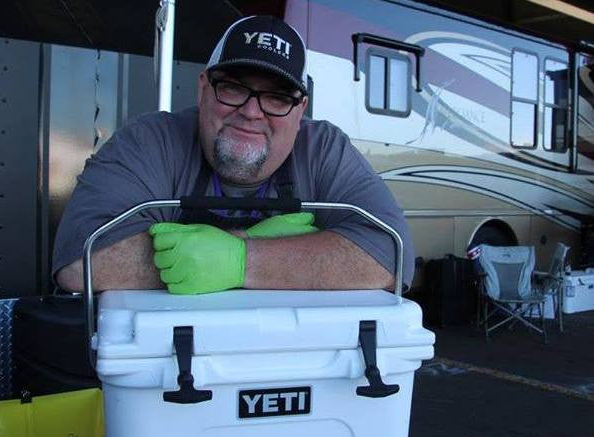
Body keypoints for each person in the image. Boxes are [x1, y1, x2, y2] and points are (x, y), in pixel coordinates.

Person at [52, 15, 414, 294]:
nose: (252, 112)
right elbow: (80, 262)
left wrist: (241, 259)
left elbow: (392, 257)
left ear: (301, 108)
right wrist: (292, 253)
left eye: (277, 97)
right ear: (204, 88)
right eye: (233, 87)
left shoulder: (324, 151)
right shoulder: (150, 142)